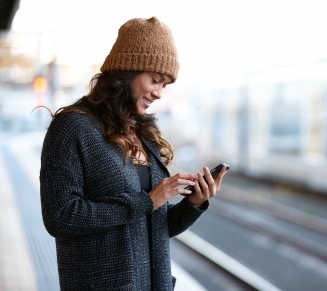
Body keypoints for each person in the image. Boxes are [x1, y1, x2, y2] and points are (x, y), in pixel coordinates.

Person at [39, 16, 226, 291]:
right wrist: (146, 201)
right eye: (155, 80)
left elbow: (150, 230)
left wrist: (193, 204)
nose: (160, 93)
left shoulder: (142, 134)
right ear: (126, 70)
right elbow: (61, 217)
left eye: (165, 85)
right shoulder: (73, 127)